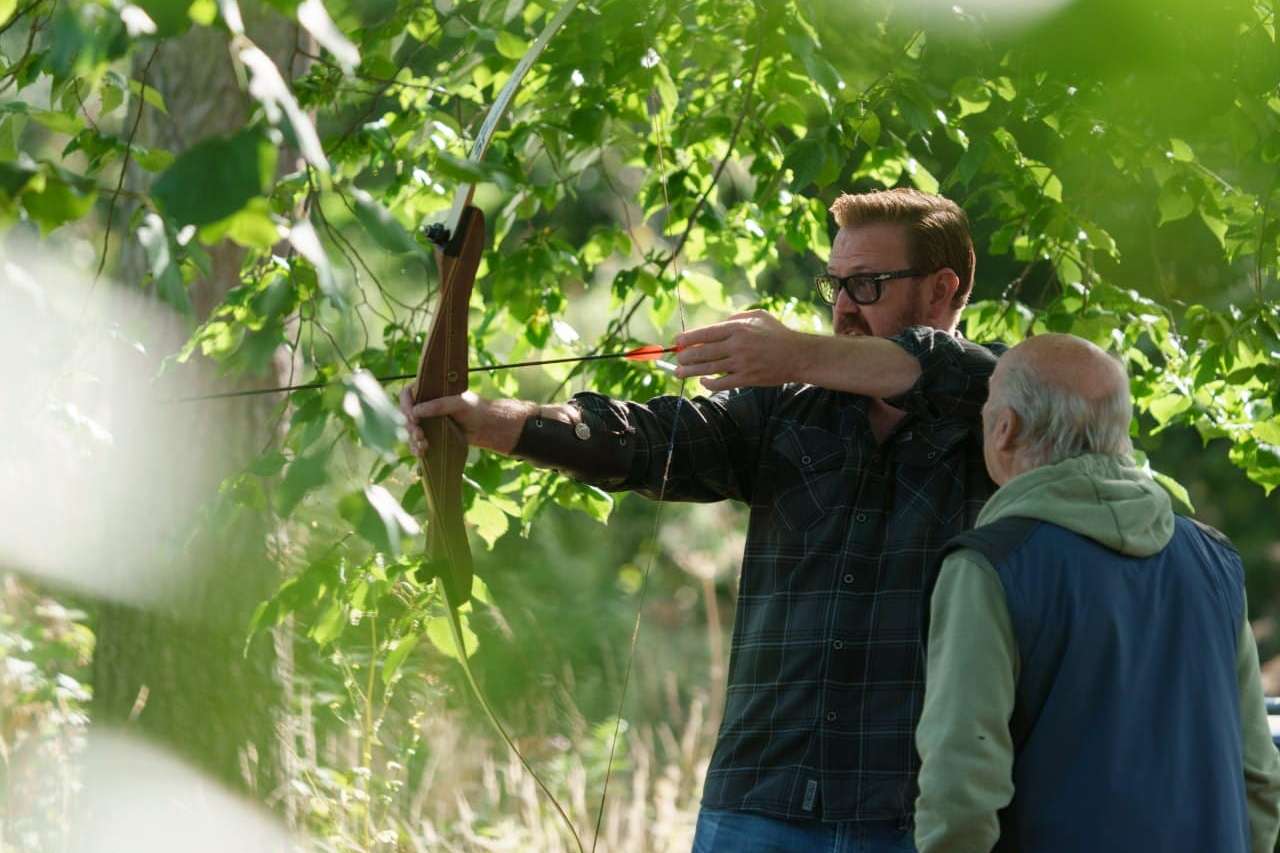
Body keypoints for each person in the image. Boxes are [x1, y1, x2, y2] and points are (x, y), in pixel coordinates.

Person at [404, 188, 1003, 852]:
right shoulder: (786, 410)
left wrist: (790, 353)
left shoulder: (999, 408)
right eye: (834, 283)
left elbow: (938, 370)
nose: (841, 306)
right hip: (759, 804)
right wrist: (494, 420)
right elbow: (645, 438)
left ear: (943, 289)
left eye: (866, 284)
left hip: (914, 814)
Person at [914, 333, 1280, 853]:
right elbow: (1258, 776)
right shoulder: (1214, 562)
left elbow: (960, 791)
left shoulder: (990, 566)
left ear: (1005, 428)